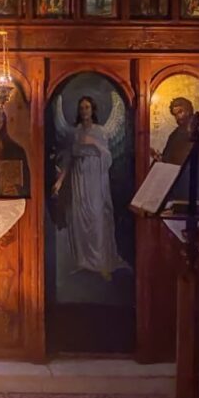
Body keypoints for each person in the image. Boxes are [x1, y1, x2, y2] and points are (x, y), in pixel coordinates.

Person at [52, 95, 128, 281]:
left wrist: (93, 143)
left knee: (97, 218)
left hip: (95, 177)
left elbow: (108, 157)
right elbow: (70, 159)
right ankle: (83, 262)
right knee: (78, 218)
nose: (84, 111)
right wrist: (60, 181)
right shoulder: (75, 132)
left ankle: (102, 264)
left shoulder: (100, 131)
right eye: (81, 108)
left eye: (87, 107)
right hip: (78, 178)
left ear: (92, 110)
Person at [150, 96, 199, 165]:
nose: (178, 117)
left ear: (188, 111)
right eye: (175, 115)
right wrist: (159, 157)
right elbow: (167, 159)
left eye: (180, 112)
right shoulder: (174, 135)